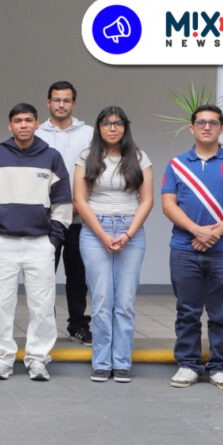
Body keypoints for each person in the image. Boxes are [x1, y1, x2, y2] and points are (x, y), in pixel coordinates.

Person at [0, 103, 71, 382]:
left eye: (29, 120)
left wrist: (53, 240)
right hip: (2, 242)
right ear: (10, 126)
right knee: (0, 304)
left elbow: (62, 202)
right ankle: (3, 358)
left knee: (42, 305)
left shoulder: (51, 157)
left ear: (37, 124)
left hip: (40, 243)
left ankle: (38, 359)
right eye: (18, 120)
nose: (23, 125)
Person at [74, 106, 153, 383]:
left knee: (125, 302)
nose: (112, 128)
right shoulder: (87, 157)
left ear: (125, 128)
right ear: (99, 127)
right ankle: (101, 362)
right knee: (102, 300)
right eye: (107, 123)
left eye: (118, 123)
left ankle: (121, 362)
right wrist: (102, 234)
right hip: (95, 232)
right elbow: (80, 200)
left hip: (131, 231)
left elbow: (147, 200)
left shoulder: (139, 157)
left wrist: (128, 234)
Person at [161, 104, 223, 391]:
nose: (207, 127)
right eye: (201, 122)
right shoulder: (177, 164)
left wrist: (214, 233)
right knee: (187, 311)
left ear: (221, 128)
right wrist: (196, 230)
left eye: (213, 123)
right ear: (191, 128)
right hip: (185, 249)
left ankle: (220, 367)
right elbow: (168, 204)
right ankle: (188, 365)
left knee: (222, 313)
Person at [35, 81, 93, 346]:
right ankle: (44, 327)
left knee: (77, 276)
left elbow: (97, 171)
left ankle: (78, 326)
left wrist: (82, 203)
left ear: (74, 103)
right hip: (45, 219)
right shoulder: (37, 133)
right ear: (48, 102)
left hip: (79, 218)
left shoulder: (89, 134)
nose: (61, 105)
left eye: (66, 100)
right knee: (44, 276)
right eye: (56, 100)